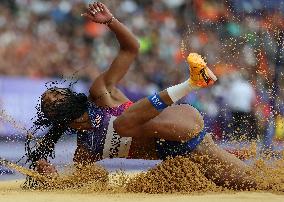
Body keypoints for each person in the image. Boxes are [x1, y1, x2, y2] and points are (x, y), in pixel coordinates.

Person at [26, 2, 256, 190]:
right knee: (251, 184)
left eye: (55, 92)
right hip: (186, 152)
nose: (53, 97)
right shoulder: (85, 150)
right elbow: (92, 181)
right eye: (49, 102)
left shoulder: (100, 94)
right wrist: (53, 179)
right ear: (56, 118)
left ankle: (192, 83)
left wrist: (111, 22)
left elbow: (131, 49)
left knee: (122, 125)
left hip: (180, 121)